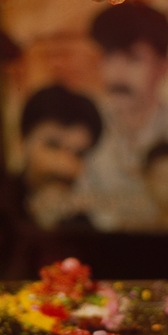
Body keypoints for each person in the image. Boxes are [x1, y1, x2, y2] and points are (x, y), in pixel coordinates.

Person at [79, 2, 168, 231]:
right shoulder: (85, 131)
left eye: (133, 59)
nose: (117, 73)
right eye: (109, 57)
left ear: (164, 68)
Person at [17, 85, 103, 231]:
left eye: (79, 154)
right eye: (52, 146)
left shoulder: (82, 226)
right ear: (22, 143)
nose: (64, 165)